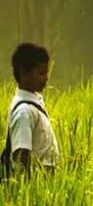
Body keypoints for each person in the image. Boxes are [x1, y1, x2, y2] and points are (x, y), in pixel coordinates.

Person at [5, 43, 59, 177]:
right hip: (37, 184)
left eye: (47, 73)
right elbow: (21, 154)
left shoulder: (34, 103)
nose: (46, 78)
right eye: (41, 73)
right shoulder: (24, 112)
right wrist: (32, 187)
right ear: (23, 74)